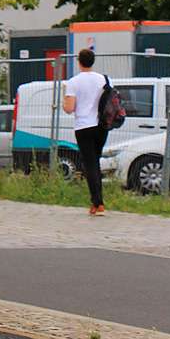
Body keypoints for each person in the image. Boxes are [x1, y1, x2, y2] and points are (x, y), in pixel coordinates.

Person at [62, 48, 109, 215]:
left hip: (83, 126)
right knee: (96, 162)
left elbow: (69, 108)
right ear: (93, 61)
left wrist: (63, 99)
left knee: (89, 164)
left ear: (79, 62)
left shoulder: (73, 82)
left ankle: (98, 203)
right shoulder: (104, 79)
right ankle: (95, 202)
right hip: (102, 126)